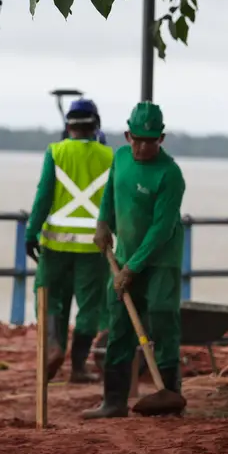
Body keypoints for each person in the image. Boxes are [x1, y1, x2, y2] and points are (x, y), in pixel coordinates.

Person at [81, 100, 187, 419]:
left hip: (160, 261)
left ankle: (170, 394)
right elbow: (110, 195)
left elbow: (161, 229)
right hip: (125, 256)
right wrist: (102, 223)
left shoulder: (170, 174)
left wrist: (132, 268)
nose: (142, 147)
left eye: (150, 141)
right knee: (120, 324)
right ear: (127, 136)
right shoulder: (120, 158)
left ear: (161, 139)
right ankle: (114, 400)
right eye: (137, 139)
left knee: (162, 315)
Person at [26, 98, 113, 383]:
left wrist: (31, 232)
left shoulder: (56, 151)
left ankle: (54, 347)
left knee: (51, 298)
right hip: (93, 248)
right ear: (95, 125)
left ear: (68, 126)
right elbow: (113, 203)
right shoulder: (109, 157)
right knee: (89, 307)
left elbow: (43, 196)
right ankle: (78, 368)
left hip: (55, 246)